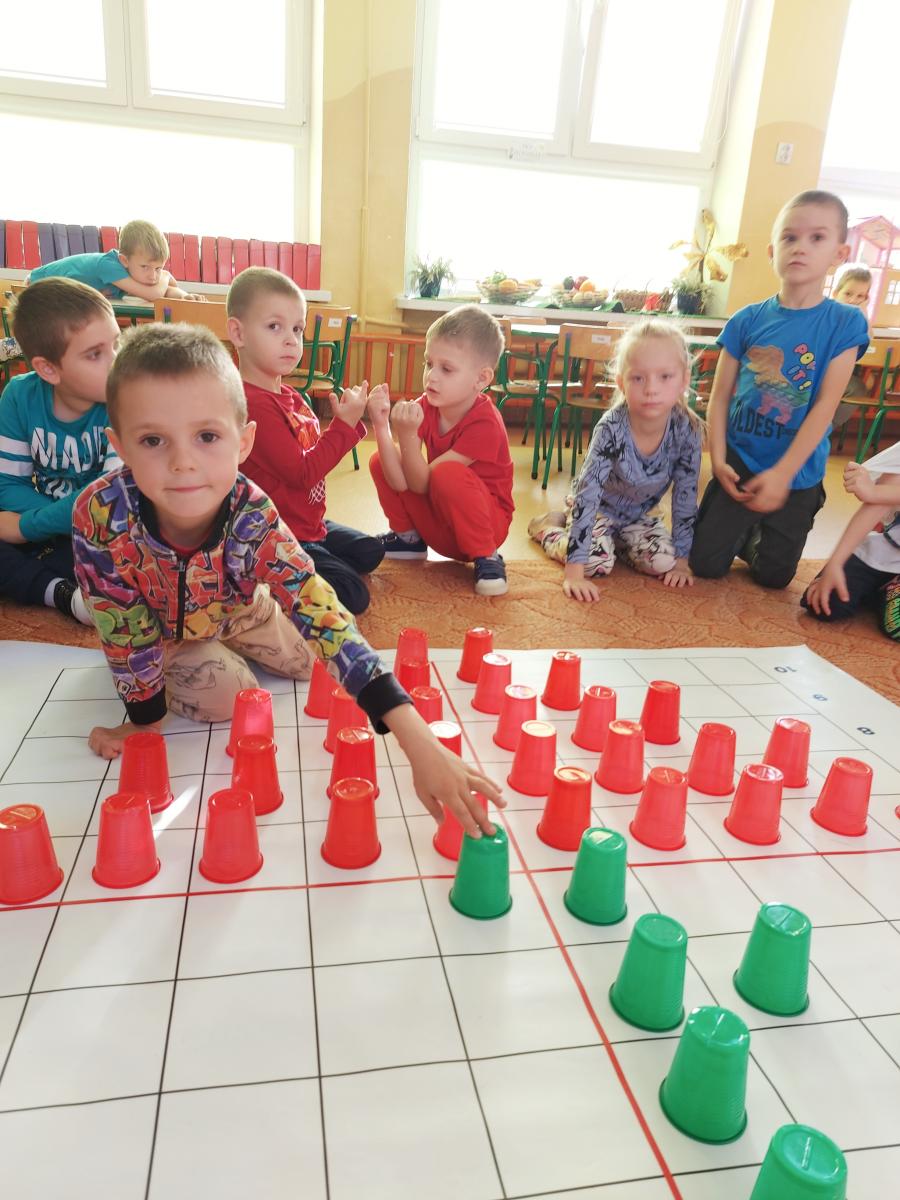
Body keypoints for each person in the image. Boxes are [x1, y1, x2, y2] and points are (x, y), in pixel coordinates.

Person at [72, 322, 500, 837]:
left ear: (243, 441)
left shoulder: (252, 510)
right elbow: (122, 625)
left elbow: (320, 606)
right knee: (235, 695)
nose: (183, 463)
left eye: (207, 437)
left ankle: (253, 618)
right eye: (152, 440)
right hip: (166, 634)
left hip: (238, 608)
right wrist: (143, 717)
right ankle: (203, 654)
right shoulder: (99, 514)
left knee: (309, 662)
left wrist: (417, 738)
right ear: (120, 445)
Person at [690, 190, 870, 589]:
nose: (800, 247)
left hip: (799, 472)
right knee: (704, 564)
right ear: (773, 251)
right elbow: (719, 397)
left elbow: (825, 406)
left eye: (817, 238)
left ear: (840, 254)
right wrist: (718, 459)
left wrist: (782, 474)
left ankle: (759, 530)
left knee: (774, 577)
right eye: (790, 237)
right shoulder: (746, 319)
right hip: (741, 459)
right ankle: (739, 527)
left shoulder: (846, 323)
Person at [226, 266, 382, 615]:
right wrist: (344, 425)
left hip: (305, 522)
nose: (290, 340)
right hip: (275, 534)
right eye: (274, 327)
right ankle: (264, 580)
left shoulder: (291, 396)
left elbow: (312, 454)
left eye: (297, 329)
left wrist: (345, 424)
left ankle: (310, 558)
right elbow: (302, 473)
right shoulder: (253, 404)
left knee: (369, 551)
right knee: (353, 594)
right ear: (238, 332)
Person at [528, 319, 702, 601]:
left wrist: (682, 561)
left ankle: (620, 543)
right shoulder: (611, 428)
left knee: (663, 563)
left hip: (640, 515)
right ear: (621, 382)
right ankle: (548, 529)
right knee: (593, 564)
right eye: (638, 378)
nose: (651, 388)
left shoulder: (687, 430)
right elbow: (588, 494)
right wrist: (574, 572)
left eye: (665, 377)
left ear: (684, 380)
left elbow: (686, 497)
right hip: (597, 510)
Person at [367, 304, 513, 596]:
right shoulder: (427, 405)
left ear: (481, 379)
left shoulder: (485, 421)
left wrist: (407, 435)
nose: (431, 376)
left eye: (446, 369)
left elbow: (424, 483)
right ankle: (409, 540)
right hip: (441, 523)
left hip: (484, 528)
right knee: (379, 460)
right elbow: (401, 482)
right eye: (428, 363)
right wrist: (381, 426)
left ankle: (488, 557)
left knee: (447, 473)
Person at [0, 278, 121, 622]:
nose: (117, 362)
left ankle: (51, 583)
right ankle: (63, 594)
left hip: (107, 530)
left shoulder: (126, 398)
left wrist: (25, 527)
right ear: (48, 369)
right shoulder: (19, 396)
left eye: (116, 344)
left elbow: (107, 499)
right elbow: (8, 486)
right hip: (60, 526)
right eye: (95, 354)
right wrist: (58, 522)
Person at [802, 451, 899, 640]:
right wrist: (836, 563)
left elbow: (876, 495)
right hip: (883, 553)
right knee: (824, 605)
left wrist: (875, 492)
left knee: (896, 626)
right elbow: (876, 506)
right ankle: (880, 593)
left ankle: (884, 594)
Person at [29, 219, 203, 302]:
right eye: (145, 267)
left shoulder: (135, 270)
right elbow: (154, 294)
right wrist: (165, 275)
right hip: (36, 287)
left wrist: (184, 296)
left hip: (61, 296)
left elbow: (165, 291)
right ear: (124, 260)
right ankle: (13, 351)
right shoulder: (109, 266)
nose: (153, 276)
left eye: (158, 268)